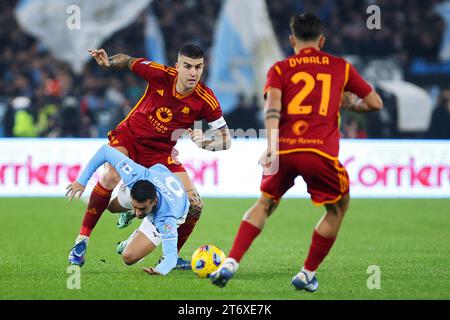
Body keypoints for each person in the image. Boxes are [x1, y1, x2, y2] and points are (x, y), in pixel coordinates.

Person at [210, 13, 383, 291]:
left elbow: (272, 108)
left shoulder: (279, 69)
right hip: (320, 153)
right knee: (338, 209)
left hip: (286, 150)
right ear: (321, 40)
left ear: (292, 40)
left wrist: (271, 147)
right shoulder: (341, 67)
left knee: (264, 203)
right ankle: (307, 273)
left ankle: (231, 261)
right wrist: (346, 103)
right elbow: (375, 102)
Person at [68, 44, 231, 268]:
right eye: (188, 66)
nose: (193, 72)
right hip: (130, 137)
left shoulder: (206, 99)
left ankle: (170, 258)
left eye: (198, 67)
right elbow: (127, 59)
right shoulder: (160, 74)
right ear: (177, 66)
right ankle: (81, 242)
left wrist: (206, 143)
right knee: (110, 176)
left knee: (195, 205)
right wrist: (108, 62)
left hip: (160, 153)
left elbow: (226, 140)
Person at [66, 144, 189, 275]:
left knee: (128, 257)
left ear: (154, 202)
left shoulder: (166, 219)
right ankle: (129, 211)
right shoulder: (135, 174)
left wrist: (160, 270)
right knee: (110, 206)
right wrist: (82, 180)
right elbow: (105, 151)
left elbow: (171, 257)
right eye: (134, 208)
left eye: (141, 209)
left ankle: (132, 238)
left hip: (172, 208)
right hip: (154, 176)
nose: (138, 213)